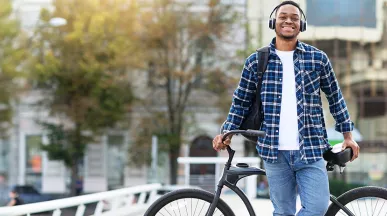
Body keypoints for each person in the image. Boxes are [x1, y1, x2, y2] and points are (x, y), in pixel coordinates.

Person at [213, 1, 360, 215]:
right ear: (274, 22)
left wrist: (347, 135)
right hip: (274, 152)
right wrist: (226, 131)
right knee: (282, 212)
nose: (289, 20)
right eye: (283, 16)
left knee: (317, 209)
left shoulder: (317, 59)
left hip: (311, 150)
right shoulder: (256, 61)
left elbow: (335, 97)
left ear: (302, 25)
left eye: (294, 17)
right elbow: (241, 102)